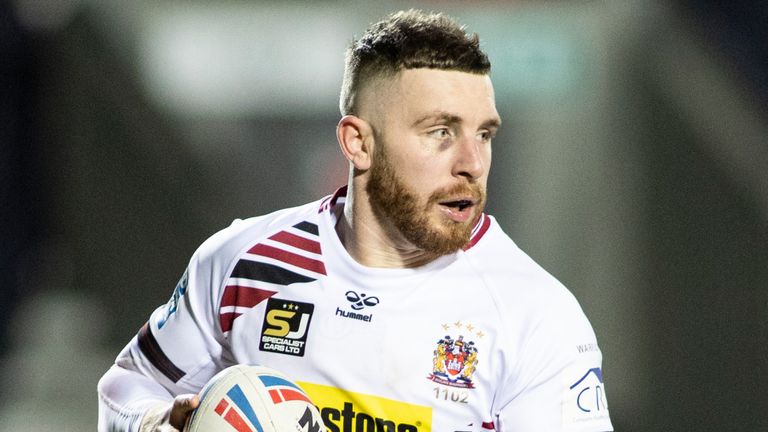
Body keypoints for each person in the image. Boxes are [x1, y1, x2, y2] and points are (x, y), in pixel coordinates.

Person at [98, 9, 613, 432]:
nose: (471, 162)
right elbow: (124, 392)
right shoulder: (245, 263)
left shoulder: (534, 316)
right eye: (440, 131)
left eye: (484, 134)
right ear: (357, 142)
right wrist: (163, 422)